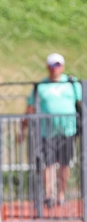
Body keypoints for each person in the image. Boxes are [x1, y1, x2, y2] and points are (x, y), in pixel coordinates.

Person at [23, 53, 82, 208]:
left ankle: (61, 195)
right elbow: (30, 108)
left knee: (64, 164)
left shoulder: (72, 83)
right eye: (53, 65)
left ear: (62, 66)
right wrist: (22, 130)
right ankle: (49, 195)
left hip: (67, 131)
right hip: (46, 131)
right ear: (47, 66)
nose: (55, 68)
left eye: (58, 65)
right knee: (48, 164)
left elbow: (82, 103)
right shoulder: (41, 86)